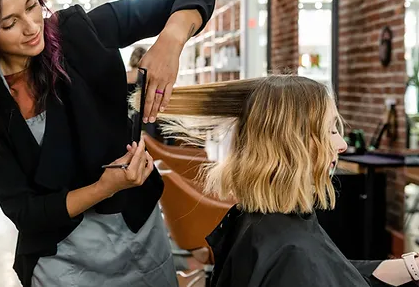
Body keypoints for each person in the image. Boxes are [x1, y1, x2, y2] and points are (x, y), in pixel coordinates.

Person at [0, 0, 217, 286]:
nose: (31, 27)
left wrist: (171, 41)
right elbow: (25, 212)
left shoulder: (79, 33)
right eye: (9, 23)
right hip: (59, 259)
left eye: (32, 6)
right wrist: (104, 187)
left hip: (136, 233)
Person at [156, 75, 419, 287]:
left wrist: (410, 267)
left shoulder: (265, 225)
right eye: (330, 130)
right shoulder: (292, 255)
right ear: (291, 144)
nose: (341, 144)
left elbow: (333, 269)